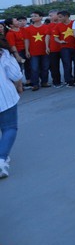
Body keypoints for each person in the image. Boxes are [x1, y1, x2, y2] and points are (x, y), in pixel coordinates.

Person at [0, 36, 22, 179]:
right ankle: (1, 160)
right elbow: (15, 74)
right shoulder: (3, 53)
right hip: (4, 96)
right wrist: (18, 85)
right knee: (9, 127)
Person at [23, 10, 50, 91]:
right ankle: (35, 84)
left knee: (45, 67)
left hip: (45, 51)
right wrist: (27, 51)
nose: (33, 17)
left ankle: (44, 82)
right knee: (34, 68)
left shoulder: (46, 27)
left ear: (41, 17)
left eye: (35, 16)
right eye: (32, 16)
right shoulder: (28, 29)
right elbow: (26, 40)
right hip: (33, 52)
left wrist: (47, 47)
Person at [54, 11, 75, 87]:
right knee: (67, 64)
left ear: (66, 16)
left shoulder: (74, 23)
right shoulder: (58, 26)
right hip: (65, 47)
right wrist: (60, 41)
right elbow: (56, 38)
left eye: (60, 17)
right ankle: (69, 80)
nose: (59, 19)